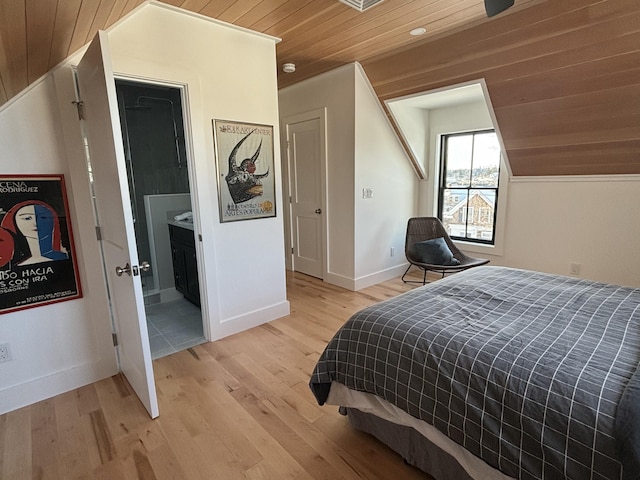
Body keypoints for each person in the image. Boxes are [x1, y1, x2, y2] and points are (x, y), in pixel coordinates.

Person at [0, 200, 68, 265]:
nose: (35, 223)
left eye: (43, 217)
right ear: (14, 222)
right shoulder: (10, 263)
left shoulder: (64, 257)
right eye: (27, 218)